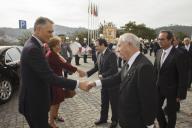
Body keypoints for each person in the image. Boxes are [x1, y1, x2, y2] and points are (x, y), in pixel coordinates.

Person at [18, 17, 89, 128]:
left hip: (36, 102)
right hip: (33, 104)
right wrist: (78, 84)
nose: (51, 35)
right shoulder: (33, 48)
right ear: (37, 29)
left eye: (52, 31)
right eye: (49, 31)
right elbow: (49, 76)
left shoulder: (36, 45)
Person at [88, 33, 157, 128]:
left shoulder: (144, 66)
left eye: (119, 45)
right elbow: (116, 77)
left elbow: (148, 99)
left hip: (136, 121)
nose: (117, 49)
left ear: (129, 44)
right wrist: (95, 83)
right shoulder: (130, 61)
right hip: (126, 118)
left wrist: (149, 124)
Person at [46, 36, 85, 128]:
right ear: (53, 45)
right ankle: (51, 121)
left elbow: (64, 64)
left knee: (58, 99)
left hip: (58, 80)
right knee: (55, 101)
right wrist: (78, 70)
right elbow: (64, 65)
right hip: (54, 82)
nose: (60, 46)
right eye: (58, 45)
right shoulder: (51, 55)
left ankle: (55, 115)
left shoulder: (55, 54)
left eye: (60, 44)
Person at [154, 30, 188, 128]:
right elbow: (155, 70)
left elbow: (183, 75)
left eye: (162, 39)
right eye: (159, 39)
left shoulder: (179, 54)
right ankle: (163, 125)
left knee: (171, 112)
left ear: (170, 40)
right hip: (159, 87)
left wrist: (181, 94)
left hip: (173, 89)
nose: (160, 41)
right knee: (155, 108)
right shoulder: (158, 52)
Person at [86, 38, 119, 128]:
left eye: (96, 45)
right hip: (103, 84)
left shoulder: (111, 54)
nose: (95, 47)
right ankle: (103, 118)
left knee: (114, 103)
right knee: (104, 102)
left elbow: (114, 70)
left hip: (112, 84)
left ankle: (115, 121)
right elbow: (97, 67)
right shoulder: (99, 54)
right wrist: (86, 73)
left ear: (103, 45)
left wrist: (103, 75)